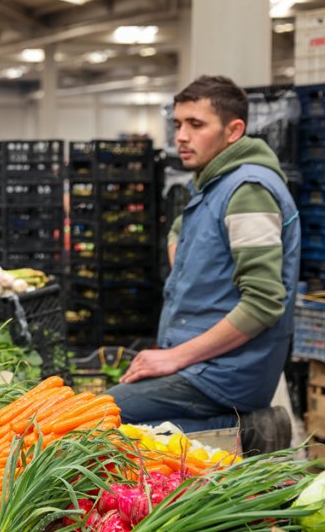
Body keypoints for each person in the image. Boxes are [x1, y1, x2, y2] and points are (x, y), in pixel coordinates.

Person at [107, 75, 298, 451]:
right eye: (178, 124)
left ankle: (250, 429)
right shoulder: (213, 184)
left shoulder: (249, 191)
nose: (181, 135)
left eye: (196, 125)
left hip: (225, 373)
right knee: (112, 418)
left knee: (105, 416)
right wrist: (186, 254)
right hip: (205, 365)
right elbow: (179, 227)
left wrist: (172, 358)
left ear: (233, 131)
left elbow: (263, 304)